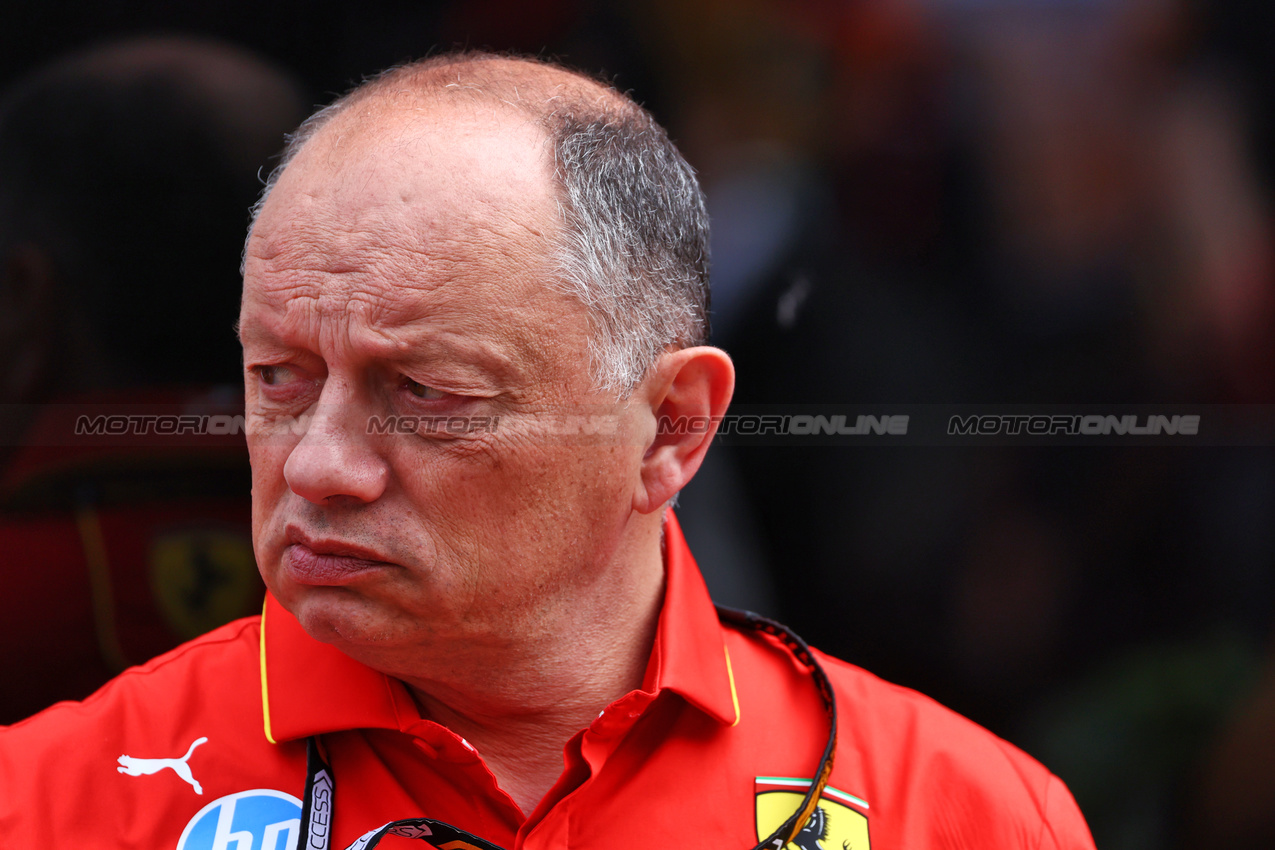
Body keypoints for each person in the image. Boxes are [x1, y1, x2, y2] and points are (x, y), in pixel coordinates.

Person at [0, 52, 1096, 849]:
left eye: (425, 394)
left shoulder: (957, 814)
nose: (318, 462)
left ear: (671, 426)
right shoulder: (55, 801)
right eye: (277, 379)